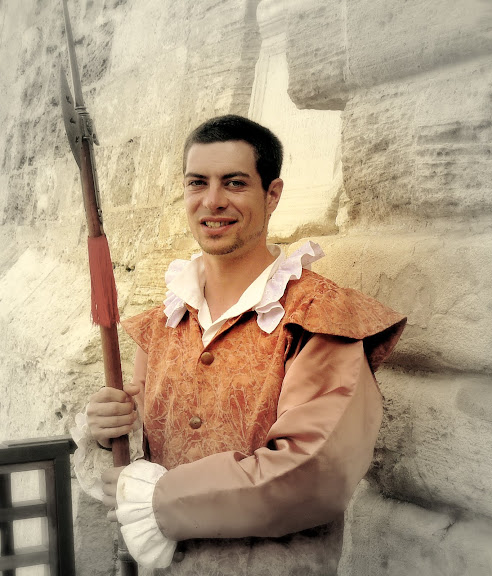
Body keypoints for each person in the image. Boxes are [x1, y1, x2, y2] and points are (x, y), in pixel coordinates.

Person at [75, 115, 406, 575]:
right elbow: (138, 462)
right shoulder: (163, 322)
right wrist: (109, 429)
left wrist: (163, 499)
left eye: (234, 183)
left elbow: (313, 474)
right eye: (197, 182)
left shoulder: (320, 317)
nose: (212, 201)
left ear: (272, 194)